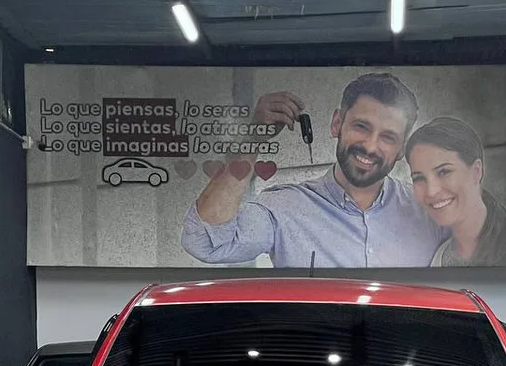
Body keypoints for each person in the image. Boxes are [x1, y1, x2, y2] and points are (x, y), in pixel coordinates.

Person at [181, 73, 445, 268]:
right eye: (361, 127)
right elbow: (205, 242)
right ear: (336, 124)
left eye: (388, 137)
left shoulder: (429, 211)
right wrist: (252, 138)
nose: (370, 146)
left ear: (401, 149)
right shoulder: (284, 207)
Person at [405, 116, 506, 267]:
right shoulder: (439, 258)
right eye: (419, 178)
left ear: (476, 171)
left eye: (444, 172)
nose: (431, 191)